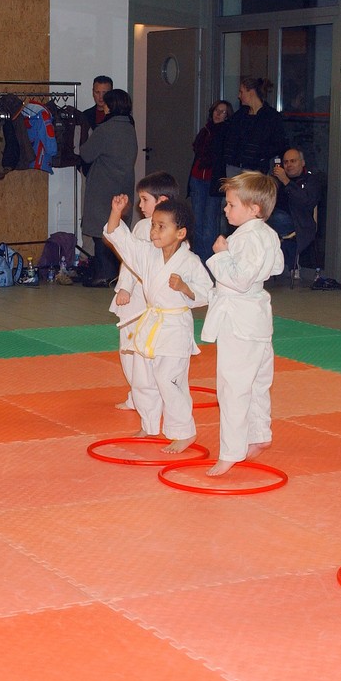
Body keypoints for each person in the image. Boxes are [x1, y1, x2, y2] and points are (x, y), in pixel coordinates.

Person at [104, 194, 212, 455]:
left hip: (174, 326)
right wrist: (116, 212)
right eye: (153, 224)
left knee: (168, 380)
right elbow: (122, 240)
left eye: (161, 226)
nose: (154, 230)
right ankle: (149, 424)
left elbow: (207, 293)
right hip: (150, 322)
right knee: (142, 377)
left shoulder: (190, 262)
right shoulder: (148, 254)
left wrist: (185, 287)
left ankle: (184, 432)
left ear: (180, 232)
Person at [199, 171, 284, 475]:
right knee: (257, 383)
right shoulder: (267, 234)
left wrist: (222, 255)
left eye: (231, 205)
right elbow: (275, 266)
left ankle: (231, 451)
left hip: (239, 321)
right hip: (257, 319)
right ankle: (259, 435)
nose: (225, 209)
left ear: (254, 209)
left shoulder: (248, 237)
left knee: (233, 387)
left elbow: (239, 279)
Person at [111, 172, 179, 411]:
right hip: (140, 298)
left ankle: (148, 397)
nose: (140, 206)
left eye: (144, 200)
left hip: (149, 300)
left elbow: (134, 262)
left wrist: (126, 289)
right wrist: (125, 288)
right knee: (134, 352)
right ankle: (138, 396)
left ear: (161, 201)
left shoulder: (167, 229)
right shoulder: (143, 226)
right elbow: (131, 259)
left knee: (142, 353)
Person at [80, 88, 138, 287]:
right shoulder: (130, 127)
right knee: (118, 231)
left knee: (101, 231)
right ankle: (116, 274)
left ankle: (104, 275)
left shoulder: (105, 129)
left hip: (103, 186)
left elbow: (86, 154)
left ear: (111, 106)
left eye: (105, 104)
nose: (102, 107)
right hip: (124, 184)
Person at [268, 148, 322, 284]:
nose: (289, 165)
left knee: (274, 217)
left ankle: (288, 262)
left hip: (300, 222)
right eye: (286, 162)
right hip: (277, 220)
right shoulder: (278, 180)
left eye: (293, 161)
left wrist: (286, 181)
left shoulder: (311, 180)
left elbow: (307, 202)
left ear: (302, 163)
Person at [188, 99, 233, 250]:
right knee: (197, 223)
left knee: (209, 225)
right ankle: (197, 260)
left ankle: (208, 263)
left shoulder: (226, 133)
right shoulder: (205, 130)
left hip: (213, 182)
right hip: (197, 178)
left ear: (227, 116)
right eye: (216, 110)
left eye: (223, 112)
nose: (218, 114)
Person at [223, 76, 287, 179]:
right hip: (234, 167)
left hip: (255, 168)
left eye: (241, 92)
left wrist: (259, 155)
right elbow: (229, 138)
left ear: (251, 92)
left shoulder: (271, 117)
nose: (239, 96)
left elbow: (279, 143)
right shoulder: (239, 116)